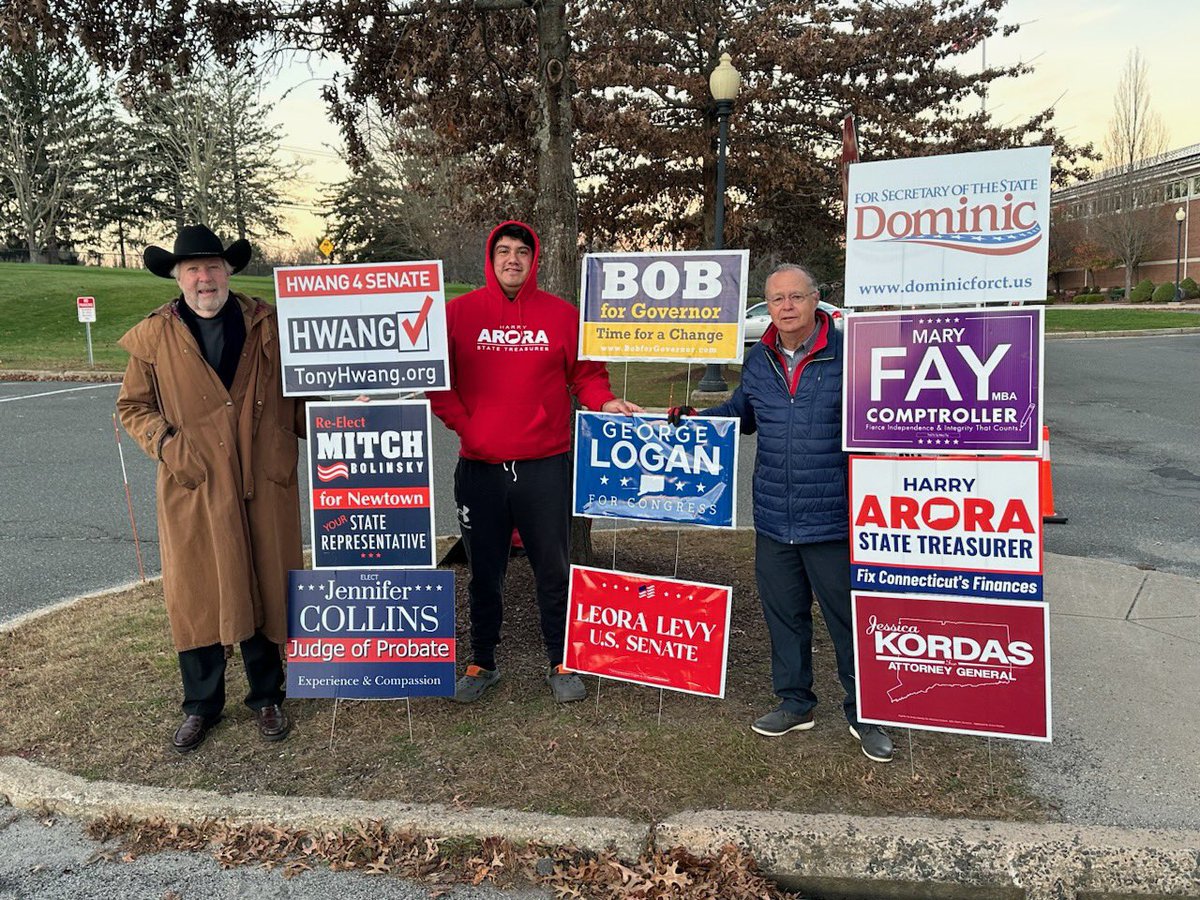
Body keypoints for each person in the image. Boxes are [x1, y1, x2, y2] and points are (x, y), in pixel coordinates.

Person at [671, 263, 893, 763]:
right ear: (767, 306)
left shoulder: (850, 355)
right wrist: (694, 420)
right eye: (777, 299)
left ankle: (866, 713)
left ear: (816, 300)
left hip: (834, 517)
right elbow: (740, 414)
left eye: (796, 296)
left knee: (848, 621)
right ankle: (795, 703)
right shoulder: (758, 359)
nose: (786, 306)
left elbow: (882, 422)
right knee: (784, 616)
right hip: (774, 517)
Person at [429, 221, 640, 704]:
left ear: (533, 259)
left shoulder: (562, 315)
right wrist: (470, 429)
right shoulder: (457, 314)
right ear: (490, 258)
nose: (512, 259)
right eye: (503, 251)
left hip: (545, 465)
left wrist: (604, 401)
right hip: (480, 467)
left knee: (553, 567)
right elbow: (438, 383)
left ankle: (560, 660)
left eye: (522, 251)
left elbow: (587, 375)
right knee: (485, 571)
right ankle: (483, 661)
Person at [117, 224, 304, 753]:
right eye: (194, 269)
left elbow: (303, 391)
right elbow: (133, 406)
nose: (205, 278)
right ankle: (201, 704)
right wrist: (170, 446)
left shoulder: (268, 324)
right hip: (195, 483)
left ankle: (267, 696)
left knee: (266, 579)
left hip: (263, 477)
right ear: (177, 277)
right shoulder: (154, 336)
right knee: (198, 589)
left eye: (214, 267)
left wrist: (343, 413)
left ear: (229, 271)